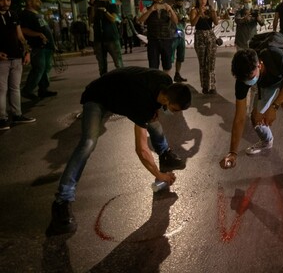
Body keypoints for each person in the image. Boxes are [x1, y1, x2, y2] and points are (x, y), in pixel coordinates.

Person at [46, 66, 190, 236]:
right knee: (88, 143)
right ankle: (62, 201)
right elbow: (142, 150)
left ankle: (165, 154)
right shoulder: (140, 101)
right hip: (97, 96)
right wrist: (160, 176)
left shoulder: (165, 82)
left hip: (118, 87)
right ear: (166, 99)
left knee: (152, 119)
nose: (177, 113)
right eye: (176, 109)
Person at [219, 37, 283, 187]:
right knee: (255, 117)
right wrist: (233, 152)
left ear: (259, 64)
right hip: (266, 83)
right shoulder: (243, 79)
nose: (247, 83)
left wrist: (274, 107)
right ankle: (266, 141)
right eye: (244, 80)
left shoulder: (276, 56)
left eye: (251, 78)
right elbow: (239, 118)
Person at [0, 0, 35, 130]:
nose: (5, 2)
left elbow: (20, 36)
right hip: (2, 59)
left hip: (16, 57)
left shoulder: (13, 15)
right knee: (1, 89)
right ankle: (2, 118)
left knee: (15, 88)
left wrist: (27, 51)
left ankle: (17, 114)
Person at [19, 0, 58, 100]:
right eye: (37, 1)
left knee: (46, 68)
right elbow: (23, 29)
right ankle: (27, 90)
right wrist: (38, 35)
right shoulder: (25, 14)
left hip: (46, 46)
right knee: (39, 68)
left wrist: (52, 44)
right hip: (37, 46)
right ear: (29, 2)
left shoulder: (38, 14)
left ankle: (43, 89)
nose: (39, 2)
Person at [138, 0, 178, 74]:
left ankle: (167, 84)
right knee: (153, 66)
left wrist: (170, 10)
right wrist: (151, 10)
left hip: (166, 39)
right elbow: (140, 20)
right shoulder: (147, 8)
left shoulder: (167, 8)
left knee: (167, 65)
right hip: (153, 41)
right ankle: (155, 85)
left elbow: (175, 21)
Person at [87, 0, 124, 76]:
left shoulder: (111, 6)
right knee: (102, 65)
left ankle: (122, 80)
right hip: (99, 39)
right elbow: (91, 20)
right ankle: (104, 82)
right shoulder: (92, 8)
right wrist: (93, 6)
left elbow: (113, 19)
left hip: (112, 38)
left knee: (118, 63)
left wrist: (105, 11)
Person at [189, 0, 219, 94]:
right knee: (202, 63)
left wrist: (213, 13)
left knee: (211, 61)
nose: (203, 1)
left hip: (210, 35)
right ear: (197, 0)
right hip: (199, 36)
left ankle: (212, 85)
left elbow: (216, 22)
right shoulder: (194, 10)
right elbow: (192, 23)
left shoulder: (210, 10)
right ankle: (205, 86)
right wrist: (198, 14)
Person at [171, 0, 188, 82]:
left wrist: (183, 17)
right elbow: (180, 18)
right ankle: (168, 76)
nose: (180, 3)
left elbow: (186, 18)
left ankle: (177, 74)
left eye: (181, 1)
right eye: (179, 1)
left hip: (181, 33)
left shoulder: (183, 9)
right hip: (173, 34)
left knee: (181, 55)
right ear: (175, 1)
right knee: (170, 56)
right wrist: (182, 17)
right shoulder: (172, 8)